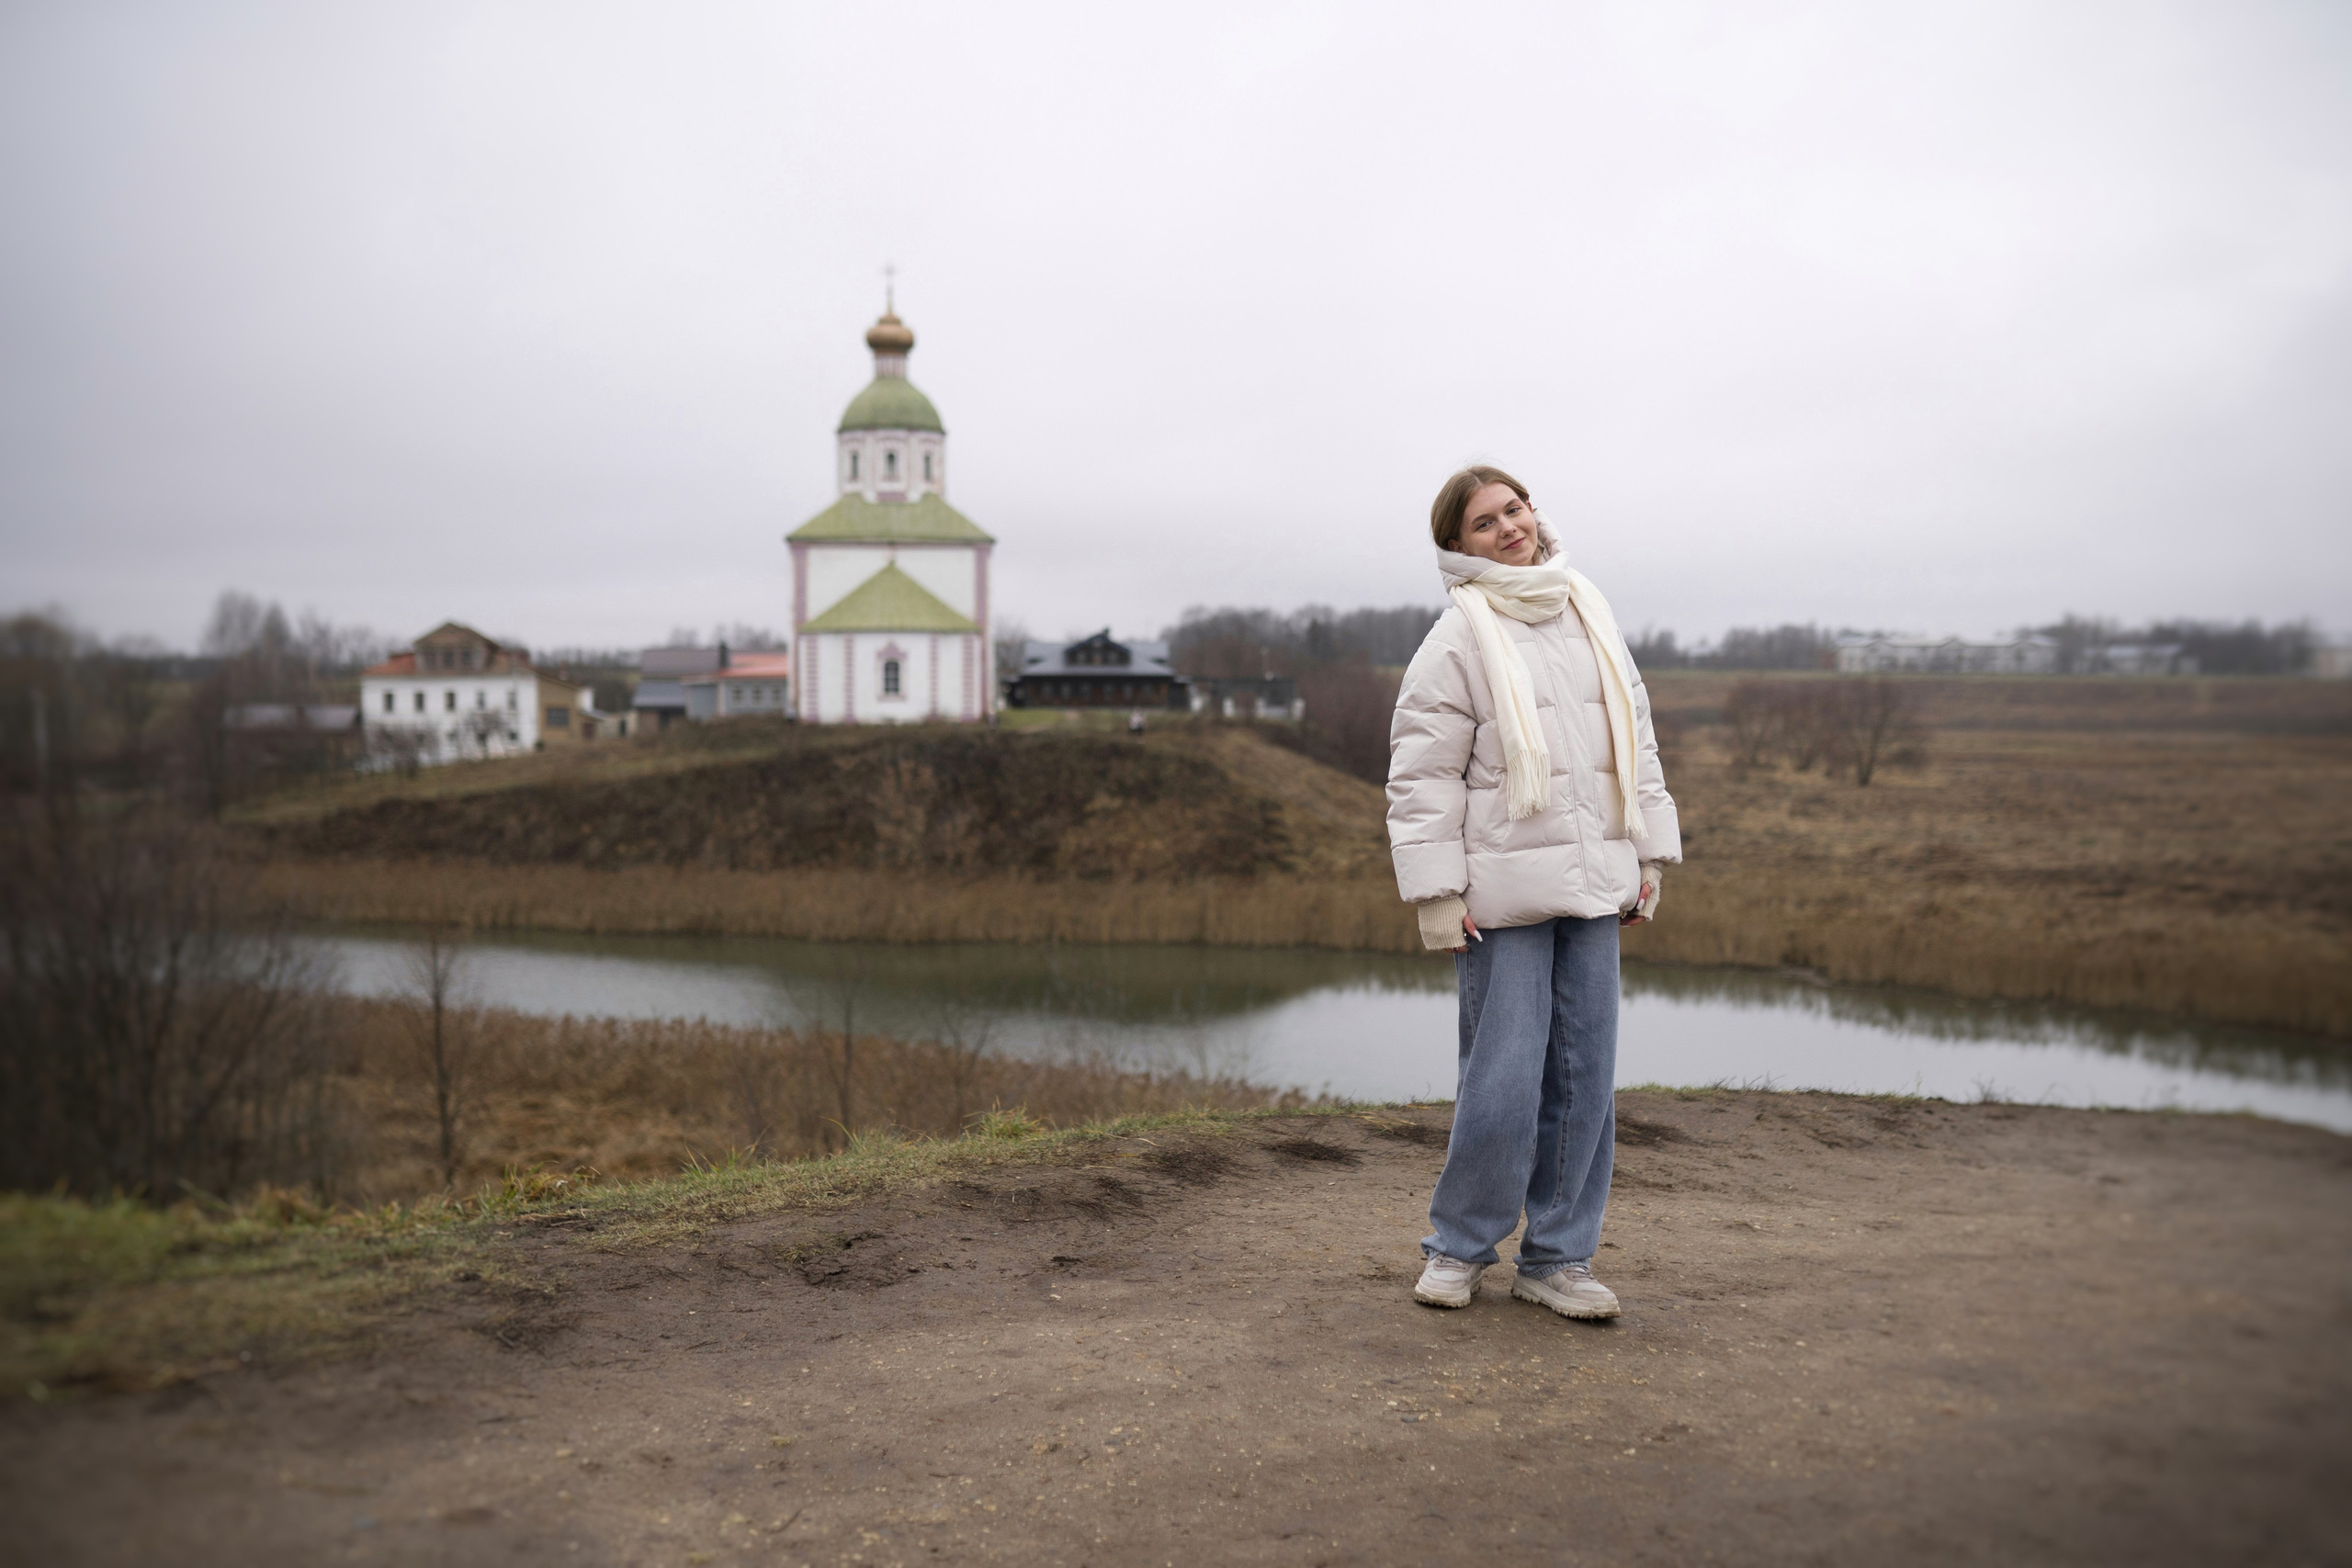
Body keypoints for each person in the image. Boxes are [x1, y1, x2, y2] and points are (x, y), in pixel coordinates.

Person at [1385, 466, 1680, 1320]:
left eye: (1515, 508)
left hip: (1596, 882)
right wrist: (1437, 892)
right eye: (1485, 522)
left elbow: (1635, 743)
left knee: (1586, 1075)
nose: (1510, 528)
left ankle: (1557, 1257)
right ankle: (1460, 1246)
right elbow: (1423, 777)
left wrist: (1647, 857)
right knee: (1505, 1076)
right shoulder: (1457, 638)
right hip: (1502, 892)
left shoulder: (1589, 609)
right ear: (1458, 547)